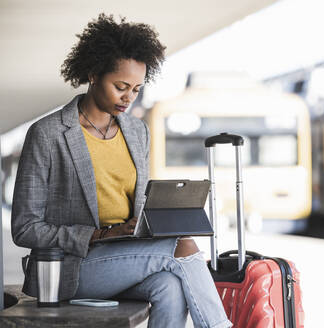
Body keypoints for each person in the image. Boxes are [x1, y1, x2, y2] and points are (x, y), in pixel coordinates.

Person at [11, 13, 232, 328]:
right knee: (182, 248)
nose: (128, 97)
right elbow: (25, 228)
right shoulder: (48, 134)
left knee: (169, 287)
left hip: (126, 257)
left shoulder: (136, 131)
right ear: (92, 74)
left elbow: (139, 204)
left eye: (137, 89)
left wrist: (159, 221)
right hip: (70, 268)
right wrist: (101, 234)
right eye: (120, 86)